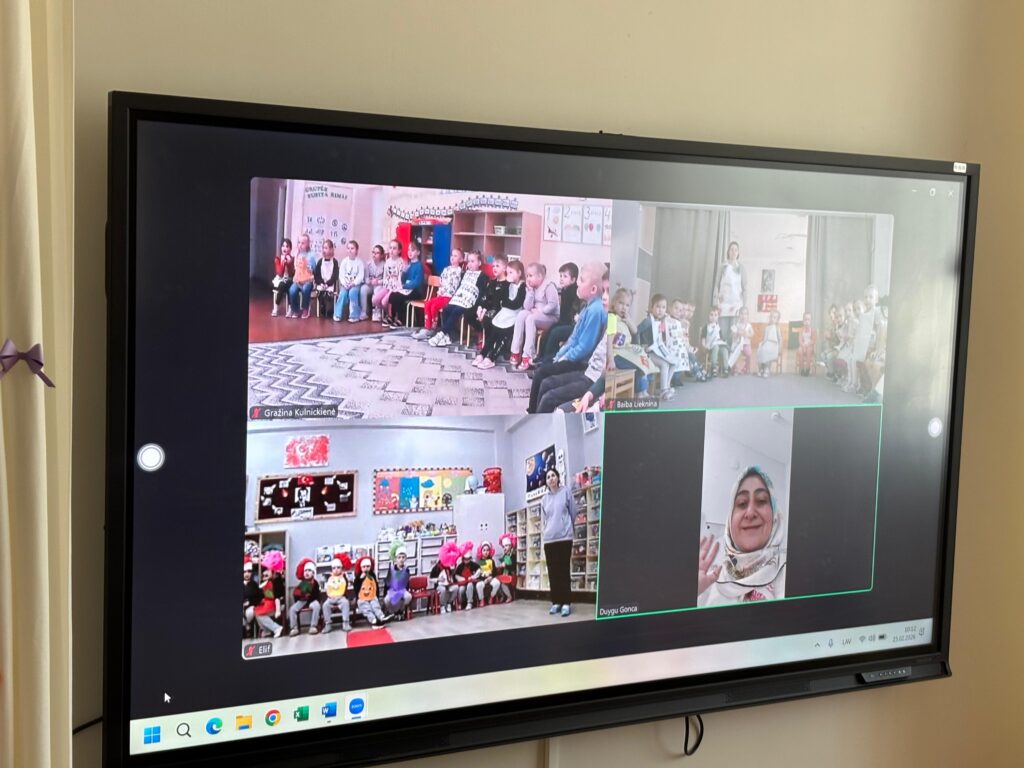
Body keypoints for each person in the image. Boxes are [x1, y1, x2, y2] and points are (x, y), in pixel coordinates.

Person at [697, 466, 786, 606]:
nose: (750, 513)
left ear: (775, 516)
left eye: (761, 500)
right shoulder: (707, 579)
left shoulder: (791, 573)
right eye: (742, 503)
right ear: (730, 520)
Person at [527, 262, 607, 413]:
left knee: (543, 379)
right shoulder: (589, 307)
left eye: (581, 280)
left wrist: (565, 357)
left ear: (593, 289)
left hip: (581, 364)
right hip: (582, 364)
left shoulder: (597, 310)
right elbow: (574, 338)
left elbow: (585, 347)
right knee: (542, 370)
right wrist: (560, 354)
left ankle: (533, 415)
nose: (578, 284)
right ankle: (532, 413)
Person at [430, 250, 489, 347]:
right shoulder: (464, 273)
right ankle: (449, 336)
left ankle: (441, 334)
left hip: (470, 302)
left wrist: (477, 305)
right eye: (469, 261)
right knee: (446, 310)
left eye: (472, 261)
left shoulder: (482, 276)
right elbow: (460, 287)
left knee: (456, 311)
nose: (470, 264)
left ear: (479, 263)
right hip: (458, 299)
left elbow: (481, 293)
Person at [477, 259, 526, 368]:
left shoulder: (522, 287)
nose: (509, 276)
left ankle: (491, 358)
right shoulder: (508, 284)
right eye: (507, 273)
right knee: (493, 334)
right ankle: (483, 354)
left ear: (519, 273)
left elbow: (515, 304)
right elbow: (503, 299)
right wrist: (507, 286)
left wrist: (506, 302)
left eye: (511, 272)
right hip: (505, 312)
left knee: (502, 336)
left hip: (515, 315)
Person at [510, 262, 560, 370]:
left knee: (530, 319)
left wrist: (541, 311)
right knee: (521, 314)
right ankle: (516, 351)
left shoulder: (549, 286)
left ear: (540, 276)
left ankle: (528, 355)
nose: (528, 278)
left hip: (550, 317)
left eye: (531, 276)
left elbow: (553, 305)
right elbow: (527, 307)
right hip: (536, 314)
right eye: (527, 276)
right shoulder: (532, 287)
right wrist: (530, 292)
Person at [540, 468, 576, 617]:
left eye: (553, 475)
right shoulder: (544, 499)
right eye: (548, 477)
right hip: (549, 540)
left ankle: (566, 602)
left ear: (558, 477)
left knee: (563, 571)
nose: (551, 478)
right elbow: (543, 520)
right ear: (546, 481)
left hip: (564, 538)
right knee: (553, 572)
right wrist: (545, 532)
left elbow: (573, 512)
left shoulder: (566, 492)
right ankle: (556, 602)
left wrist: (567, 527)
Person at [637, 294, 683, 401]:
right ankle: (663, 391)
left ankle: (666, 386)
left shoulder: (660, 321)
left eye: (663, 307)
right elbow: (636, 332)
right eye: (658, 307)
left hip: (657, 350)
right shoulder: (648, 321)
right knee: (664, 364)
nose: (660, 310)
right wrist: (641, 346)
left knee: (675, 362)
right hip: (648, 352)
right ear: (651, 307)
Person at [413, 248, 465, 339]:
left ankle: (433, 327)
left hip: (449, 297)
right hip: (442, 294)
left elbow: (455, 285)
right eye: (452, 255)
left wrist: (445, 289)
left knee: (434, 306)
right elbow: (441, 281)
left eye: (455, 256)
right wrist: (440, 291)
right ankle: (427, 327)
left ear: (460, 260)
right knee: (428, 304)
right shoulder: (446, 269)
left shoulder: (459, 271)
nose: (452, 257)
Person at [534, 262, 579, 363]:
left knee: (555, 333)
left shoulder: (575, 292)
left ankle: (548, 359)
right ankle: (541, 356)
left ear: (573, 280)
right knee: (547, 332)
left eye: (565, 276)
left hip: (570, 323)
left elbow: (573, 312)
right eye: (561, 276)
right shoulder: (565, 290)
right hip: (563, 321)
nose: (561, 278)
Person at [385, 242, 426, 328]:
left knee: (399, 297)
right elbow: (403, 280)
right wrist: (404, 272)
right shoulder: (409, 264)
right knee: (393, 295)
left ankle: (401, 319)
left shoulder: (419, 266)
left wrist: (404, 286)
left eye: (413, 250)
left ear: (418, 252)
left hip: (416, 291)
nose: (410, 252)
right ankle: (392, 317)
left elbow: (417, 282)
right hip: (407, 289)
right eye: (409, 250)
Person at [716, 241, 746, 347]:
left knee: (733, 332)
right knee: (723, 331)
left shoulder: (741, 268)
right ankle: (724, 353)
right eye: (731, 249)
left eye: (736, 250)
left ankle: (731, 355)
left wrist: (744, 306)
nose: (733, 252)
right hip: (723, 305)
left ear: (738, 253)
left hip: (736, 305)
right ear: (728, 252)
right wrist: (716, 302)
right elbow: (717, 285)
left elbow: (745, 288)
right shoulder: (722, 267)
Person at [373, 239, 405, 324]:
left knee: (384, 302)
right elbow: (385, 276)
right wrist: (385, 287)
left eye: (394, 248)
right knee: (375, 300)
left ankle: (391, 316)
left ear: (399, 251)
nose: (391, 250)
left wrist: (394, 289)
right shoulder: (387, 262)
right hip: (387, 286)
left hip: (395, 288)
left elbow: (400, 278)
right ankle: (389, 313)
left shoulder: (401, 262)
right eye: (390, 248)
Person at [353, 556, 390, 628]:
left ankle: (381, 617)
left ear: (370, 567)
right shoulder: (358, 576)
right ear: (361, 567)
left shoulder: (372, 575)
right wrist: (360, 579)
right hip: (362, 598)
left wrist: (377, 596)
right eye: (364, 567)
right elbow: (356, 588)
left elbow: (375, 586)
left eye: (368, 566)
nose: (366, 568)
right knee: (366, 608)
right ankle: (373, 620)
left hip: (372, 596)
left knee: (375, 606)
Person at [289, 558, 322, 636]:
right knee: (292, 609)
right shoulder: (302, 583)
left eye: (309, 571)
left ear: (313, 573)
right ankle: (294, 628)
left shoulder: (315, 583)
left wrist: (309, 596)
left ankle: (313, 626)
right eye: (305, 571)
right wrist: (299, 595)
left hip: (312, 600)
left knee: (316, 606)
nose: (307, 572)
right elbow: (296, 595)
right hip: (302, 601)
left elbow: (316, 595)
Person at [334, 240, 365, 322]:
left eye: (352, 248)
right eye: (348, 248)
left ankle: (354, 315)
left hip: (355, 285)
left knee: (352, 293)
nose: (350, 250)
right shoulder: (344, 262)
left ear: (356, 250)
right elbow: (341, 275)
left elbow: (360, 276)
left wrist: (353, 283)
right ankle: (337, 314)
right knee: (342, 294)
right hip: (345, 285)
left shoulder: (359, 262)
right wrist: (345, 284)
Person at [322, 551, 352, 633]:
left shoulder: (343, 577)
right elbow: (328, 588)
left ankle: (346, 623)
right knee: (325, 605)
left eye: (338, 568)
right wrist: (330, 596)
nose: (336, 570)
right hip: (331, 597)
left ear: (342, 568)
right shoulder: (330, 578)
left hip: (341, 597)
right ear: (331, 569)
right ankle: (328, 624)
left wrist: (344, 576)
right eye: (334, 568)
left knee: (345, 603)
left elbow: (344, 587)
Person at [288, 233, 317, 319]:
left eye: (303, 243)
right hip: (298, 280)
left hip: (308, 280)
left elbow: (314, 269)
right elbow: (295, 268)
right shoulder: (297, 254)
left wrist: (308, 266)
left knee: (305, 289)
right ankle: (295, 310)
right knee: (292, 290)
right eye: (299, 242)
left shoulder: (311, 255)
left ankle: (305, 309)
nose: (300, 245)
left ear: (307, 244)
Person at [253, 565, 284, 638]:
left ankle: (276, 628)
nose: (264, 577)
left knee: (260, 614)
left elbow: (277, 597)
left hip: (276, 604)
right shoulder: (262, 584)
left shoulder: (277, 582)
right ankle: (267, 630)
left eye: (266, 575)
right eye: (263, 576)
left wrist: (278, 610)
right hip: (266, 604)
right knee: (256, 612)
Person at [383, 545, 413, 618]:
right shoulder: (391, 569)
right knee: (386, 600)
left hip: (402, 589)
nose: (401, 559)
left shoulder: (406, 569)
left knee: (408, 597)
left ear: (405, 558)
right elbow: (387, 582)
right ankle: (394, 612)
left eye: (403, 557)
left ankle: (400, 611)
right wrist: (385, 593)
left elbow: (407, 582)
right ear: (396, 559)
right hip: (392, 590)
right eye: (399, 557)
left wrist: (406, 590)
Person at [313, 239, 340, 319]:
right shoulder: (320, 261)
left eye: (326, 248)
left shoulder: (335, 262)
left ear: (331, 249)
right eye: (323, 248)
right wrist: (321, 283)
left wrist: (328, 283)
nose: (324, 250)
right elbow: (317, 275)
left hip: (330, 284)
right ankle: (322, 307)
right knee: (320, 292)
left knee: (329, 294)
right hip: (321, 284)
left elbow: (335, 275)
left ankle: (330, 309)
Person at [432, 540, 461, 613]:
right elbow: (430, 579)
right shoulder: (437, 567)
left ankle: (449, 603)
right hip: (440, 585)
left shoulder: (450, 565)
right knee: (443, 590)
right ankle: (442, 605)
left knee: (456, 588)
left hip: (449, 584)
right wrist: (438, 579)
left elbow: (453, 577)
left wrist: (453, 570)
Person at [702, 307, 729, 378]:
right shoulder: (706, 327)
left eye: (715, 315)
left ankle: (725, 368)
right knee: (716, 347)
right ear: (708, 316)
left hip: (719, 345)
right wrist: (704, 346)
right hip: (710, 346)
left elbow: (721, 338)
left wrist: (724, 341)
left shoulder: (718, 327)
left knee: (725, 350)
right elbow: (703, 338)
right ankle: (713, 366)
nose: (713, 317)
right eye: (711, 315)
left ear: (718, 317)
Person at [362, 244, 387, 322]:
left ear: (381, 255)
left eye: (377, 253)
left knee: (377, 290)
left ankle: (377, 312)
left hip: (380, 285)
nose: (374, 255)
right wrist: (369, 281)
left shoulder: (385, 265)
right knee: (363, 289)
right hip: (370, 284)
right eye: (373, 252)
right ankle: (364, 312)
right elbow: (365, 278)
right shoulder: (368, 264)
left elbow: (386, 279)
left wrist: (378, 282)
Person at [453, 542, 481, 610]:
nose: (466, 561)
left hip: (472, 584)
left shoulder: (474, 565)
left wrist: (473, 577)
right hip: (463, 584)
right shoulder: (460, 566)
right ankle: (460, 603)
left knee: (470, 585)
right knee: (461, 589)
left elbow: (479, 571)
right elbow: (456, 575)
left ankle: (469, 603)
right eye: (465, 559)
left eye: (468, 559)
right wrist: (461, 578)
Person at [271, 238, 294, 317]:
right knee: (282, 285)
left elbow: (292, 274)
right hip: (280, 280)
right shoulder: (277, 259)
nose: (285, 248)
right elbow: (280, 273)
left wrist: (290, 263)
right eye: (283, 246)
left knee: (289, 286)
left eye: (287, 246)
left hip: (290, 280)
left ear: (290, 249)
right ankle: (276, 308)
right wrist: (283, 263)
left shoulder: (292, 259)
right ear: (281, 248)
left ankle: (290, 309)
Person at [728, 306, 754, 375]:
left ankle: (746, 368)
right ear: (739, 315)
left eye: (745, 314)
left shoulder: (748, 325)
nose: (743, 316)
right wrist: (736, 334)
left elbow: (752, 334)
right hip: (738, 344)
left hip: (746, 344)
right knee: (734, 353)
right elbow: (732, 335)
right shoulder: (737, 324)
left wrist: (747, 334)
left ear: (747, 316)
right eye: (741, 314)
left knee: (749, 353)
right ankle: (735, 368)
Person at [757, 308, 782, 377]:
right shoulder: (767, 327)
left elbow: (780, 338)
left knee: (766, 351)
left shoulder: (777, 328)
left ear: (777, 320)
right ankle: (761, 368)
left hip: (774, 345)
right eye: (771, 317)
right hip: (766, 343)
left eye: (774, 317)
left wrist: (780, 348)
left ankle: (767, 368)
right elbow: (764, 337)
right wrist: (762, 343)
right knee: (761, 350)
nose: (772, 319)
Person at [242, 557, 263, 637]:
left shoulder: (254, 585)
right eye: (245, 572)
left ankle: (247, 627)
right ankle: (246, 627)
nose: (247, 574)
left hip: (250, 608)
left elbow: (258, 598)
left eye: (249, 572)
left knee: (251, 611)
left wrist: (250, 603)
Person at [495, 533, 518, 603]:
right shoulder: (504, 556)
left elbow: (514, 567)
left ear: (511, 546)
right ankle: (503, 595)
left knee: (503, 583)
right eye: (504, 546)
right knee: (496, 582)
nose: (505, 548)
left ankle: (509, 596)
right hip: (505, 574)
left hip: (511, 575)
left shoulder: (513, 555)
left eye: (507, 545)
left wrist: (506, 565)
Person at [797, 312, 817, 376]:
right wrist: (803, 345)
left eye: (808, 320)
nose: (807, 321)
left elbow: (813, 340)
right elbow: (800, 339)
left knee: (809, 350)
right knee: (800, 350)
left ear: (810, 321)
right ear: (803, 321)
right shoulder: (801, 330)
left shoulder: (813, 330)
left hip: (809, 346)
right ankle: (802, 368)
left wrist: (807, 345)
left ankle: (808, 368)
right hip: (803, 345)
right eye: (805, 319)